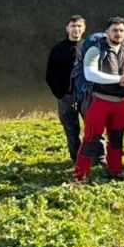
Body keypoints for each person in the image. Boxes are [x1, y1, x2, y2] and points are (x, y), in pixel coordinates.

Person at [74, 17, 124, 182]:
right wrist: (120, 79)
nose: (118, 33)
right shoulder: (95, 50)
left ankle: (115, 170)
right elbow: (90, 74)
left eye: (121, 30)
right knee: (91, 138)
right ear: (107, 32)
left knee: (117, 137)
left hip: (122, 102)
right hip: (99, 101)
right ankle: (80, 175)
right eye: (114, 30)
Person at [45, 15, 86, 164]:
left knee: (94, 128)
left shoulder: (88, 46)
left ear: (84, 28)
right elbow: (50, 75)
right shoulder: (58, 49)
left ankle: (98, 158)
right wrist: (60, 94)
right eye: (73, 26)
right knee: (71, 129)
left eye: (79, 26)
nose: (76, 29)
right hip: (66, 96)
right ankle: (77, 158)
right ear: (67, 28)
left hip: (86, 95)